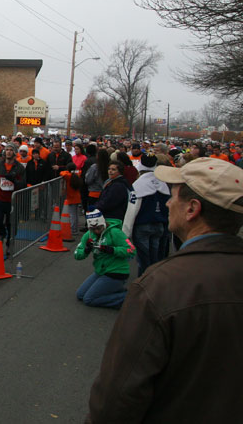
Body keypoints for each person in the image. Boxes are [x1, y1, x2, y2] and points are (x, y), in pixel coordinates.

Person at [87, 158, 243, 422]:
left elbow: (119, 395)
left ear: (192, 209)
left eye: (175, 197)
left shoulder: (160, 286)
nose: (168, 203)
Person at [73, 209, 135, 309]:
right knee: (80, 294)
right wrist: (86, 250)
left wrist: (112, 250)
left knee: (89, 299)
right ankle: (115, 290)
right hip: (101, 271)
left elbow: (131, 250)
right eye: (93, 229)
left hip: (116, 272)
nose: (96, 231)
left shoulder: (114, 232)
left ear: (103, 224)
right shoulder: (88, 235)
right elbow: (77, 254)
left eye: (99, 228)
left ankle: (128, 298)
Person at [129, 154, 170, 275]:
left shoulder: (137, 185)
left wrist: (126, 231)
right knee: (155, 257)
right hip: (159, 225)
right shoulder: (163, 185)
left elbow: (132, 209)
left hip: (142, 225)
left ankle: (144, 283)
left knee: (144, 260)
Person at [0, 145, 26, 252]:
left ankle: (9, 244)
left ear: (15, 153)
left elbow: (23, 184)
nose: (9, 152)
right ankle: (2, 233)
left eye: (11, 150)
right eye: (7, 150)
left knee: (11, 224)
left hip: (13, 200)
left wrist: (14, 180)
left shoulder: (20, 167)